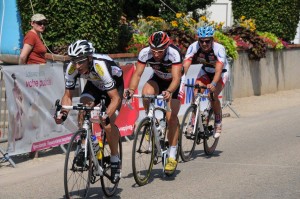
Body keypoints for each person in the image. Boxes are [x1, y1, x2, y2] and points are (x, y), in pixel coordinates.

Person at [54, 40, 123, 184]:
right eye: (74, 61)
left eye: (80, 62)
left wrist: (106, 115)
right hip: (95, 85)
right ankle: (86, 144)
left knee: (107, 124)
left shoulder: (100, 65)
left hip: (113, 87)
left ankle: (115, 159)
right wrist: (63, 113)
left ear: (89, 58)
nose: (77, 66)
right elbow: (67, 96)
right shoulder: (72, 68)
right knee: (82, 108)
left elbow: (115, 98)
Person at [124, 31, 183, 173]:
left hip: (174, 83)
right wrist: (131, 90)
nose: (156, 54)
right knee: (146, 93)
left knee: (171, 118)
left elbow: (176, 78)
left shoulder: (174, 53)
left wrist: (169, 91)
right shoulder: (145, 52)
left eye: (160, 51)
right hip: (158, 79)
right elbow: (137, 74)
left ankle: (172, 155)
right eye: (154, 51)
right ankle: (151, 121)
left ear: (167, 46)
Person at [183, 25, 229, 138]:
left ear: (212, 40)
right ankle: (193, 121)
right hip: (205, 72)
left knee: (212, 95)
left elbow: (218, 69)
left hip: (221, 73)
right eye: (201, 41)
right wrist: (182, 77)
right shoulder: (193, 46)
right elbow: (186, 63)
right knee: (196, 91)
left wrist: (213, 83)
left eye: (207, 41)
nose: (204, 44)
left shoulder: (219, 49)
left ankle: (218, 120)